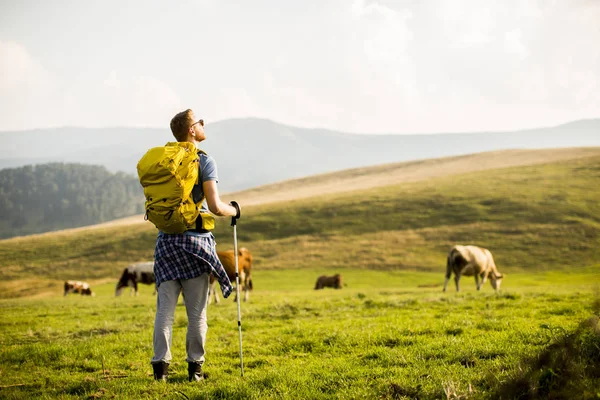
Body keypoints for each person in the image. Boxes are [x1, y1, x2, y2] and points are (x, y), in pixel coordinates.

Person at [151, 109, 241, 382]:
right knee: (196, 314)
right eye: (200, 122)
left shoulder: (163, 160)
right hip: (195, 245)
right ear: (192, 130)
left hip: (166, 243)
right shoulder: (204, 161)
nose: (204, 125)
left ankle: (160, 372)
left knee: (164, 312)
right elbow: (214, 207)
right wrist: (234, 211)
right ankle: (195, 371)